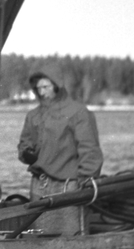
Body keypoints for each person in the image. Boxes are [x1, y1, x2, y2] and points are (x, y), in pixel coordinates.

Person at [17, 68, 103, 233]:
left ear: (57, 86)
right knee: (40, 236)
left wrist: (85, 182)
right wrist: (26, 153)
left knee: (72, 235)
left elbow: (90, 150)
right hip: (39, 185)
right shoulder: (33, 115)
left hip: (68, 187)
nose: (42, 92)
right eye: (38, 88)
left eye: (46, 87)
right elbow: (24, 143)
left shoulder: (78, 112)